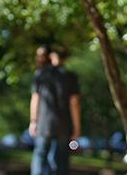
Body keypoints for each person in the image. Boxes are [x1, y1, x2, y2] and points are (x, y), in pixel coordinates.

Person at [29, 46, 81, 175]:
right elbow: (73, 102)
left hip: (44, 123)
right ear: (66, 59)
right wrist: (77, 126)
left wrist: (33, 121)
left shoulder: (40, 74)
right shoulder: (70, 76)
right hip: (63, 124)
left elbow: (35, 99)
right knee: (60, 159)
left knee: (40, 155)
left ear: (51, 57)